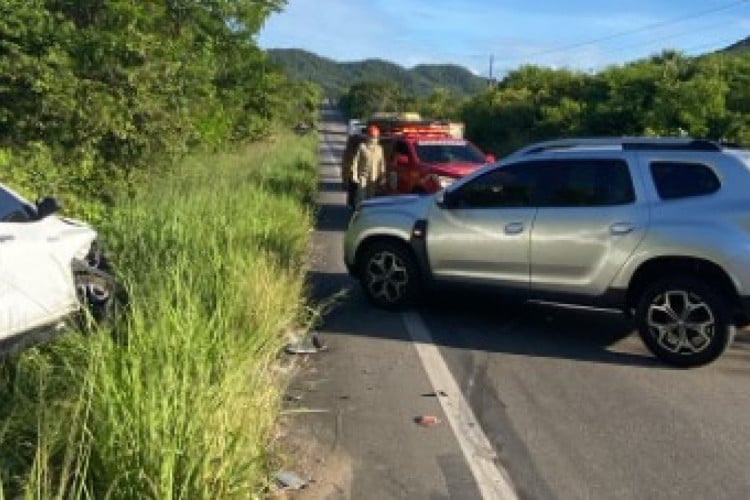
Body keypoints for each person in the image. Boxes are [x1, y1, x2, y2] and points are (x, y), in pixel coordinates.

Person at [350, 125, 385, 207]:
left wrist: (383, 177)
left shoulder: (379, 149)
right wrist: (354, 175)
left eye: (376, 137)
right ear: (368, 137)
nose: (374, 139)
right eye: (372, 137)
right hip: (363, 177)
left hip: (373, 178)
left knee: (371, 199)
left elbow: (382, 164)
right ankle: (358, 213)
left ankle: (368, 215)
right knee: (361, 197)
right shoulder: (362, 147)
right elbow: (355, 162)